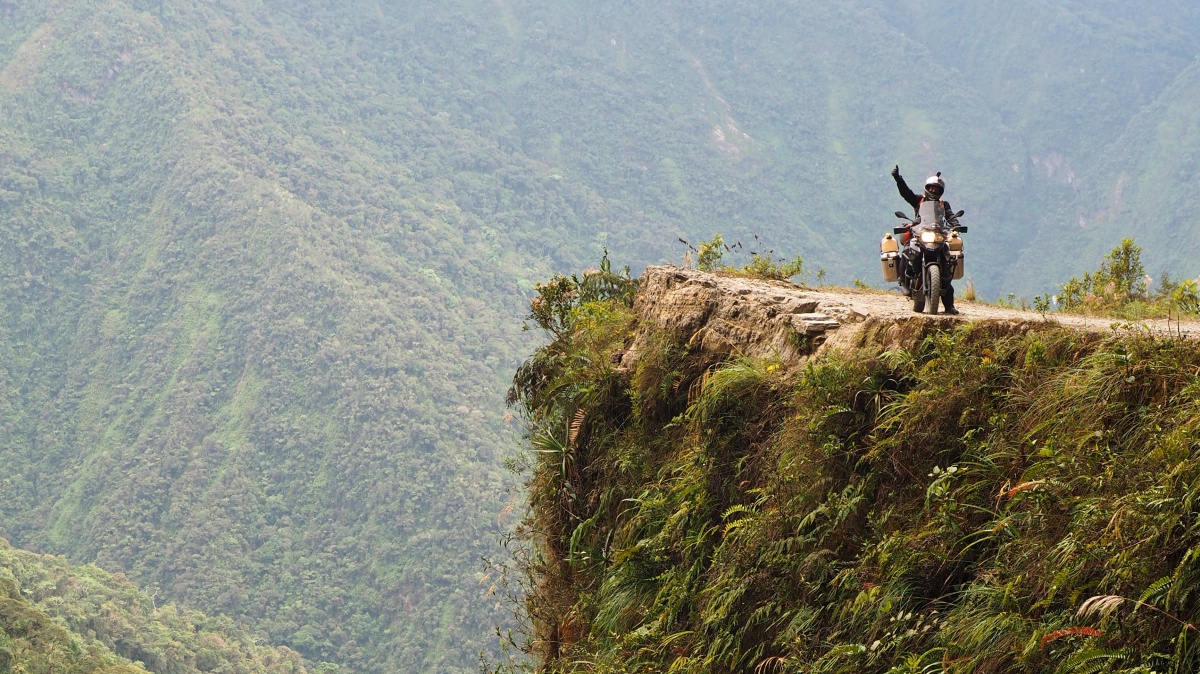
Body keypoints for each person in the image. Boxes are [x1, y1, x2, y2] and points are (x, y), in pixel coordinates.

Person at [890, 165, 960, 314]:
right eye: (932, 188)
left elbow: (950, 216)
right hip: (920, 233)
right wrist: (898, 179)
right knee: (908, 248)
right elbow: (906, 193)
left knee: (946, 265)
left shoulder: (943, 204)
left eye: (937, 189)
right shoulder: (919, 201)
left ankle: (949, 306)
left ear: (940, 192)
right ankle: (904, 281)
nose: (934, 191)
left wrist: (956, 225)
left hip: (938, 235)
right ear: (927, 188)